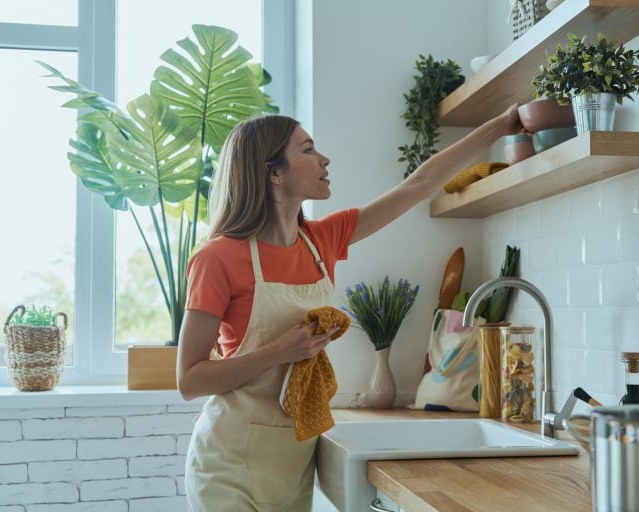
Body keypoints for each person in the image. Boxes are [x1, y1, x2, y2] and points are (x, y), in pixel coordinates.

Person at [178, 105, 523, 511]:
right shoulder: (218, 258)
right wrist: (280, 351)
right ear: (274, 172)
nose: (324, 159)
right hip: (228, 467)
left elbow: (420, 184)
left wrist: (502, 123)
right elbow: (190, 380)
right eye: (308, 150)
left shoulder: (323, 241)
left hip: (294, 463)